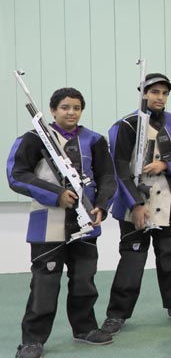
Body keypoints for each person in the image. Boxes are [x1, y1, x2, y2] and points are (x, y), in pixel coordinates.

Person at [8, 87, 117, 358]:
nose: (71, 112)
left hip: (86, 224)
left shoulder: (94, 140)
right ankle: (32, 340)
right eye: (65, 107)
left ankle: (85, 328)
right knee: (44, 284)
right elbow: (17, 175)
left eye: (77, 108)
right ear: (53, 110)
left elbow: (107, 177)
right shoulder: (34, 139)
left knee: (84, 281)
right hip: (47, 224)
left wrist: (102, 205)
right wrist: (56, 194)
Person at [102, 73, 171, 335]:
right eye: (155, 92)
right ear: (143, 93)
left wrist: (166, 164)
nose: (160, 97)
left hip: (169, 205)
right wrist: (135, 205)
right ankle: (117, 314)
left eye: (164, 93)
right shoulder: (125, 125)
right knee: (131, 261)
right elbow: (118, 170)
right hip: (134, 207)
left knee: (169, 258)